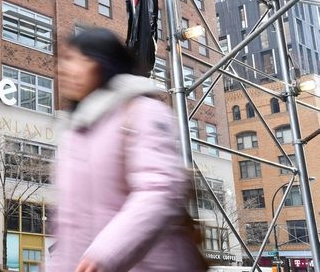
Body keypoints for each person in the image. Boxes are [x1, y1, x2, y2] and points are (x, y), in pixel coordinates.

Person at [52, 28, 206, 272]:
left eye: (73, 59)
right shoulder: (75, 132)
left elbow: (160, 189)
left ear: (100, 63)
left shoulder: (143, 112)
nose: (62, 69)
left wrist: (106, 253)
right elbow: (68, 225)